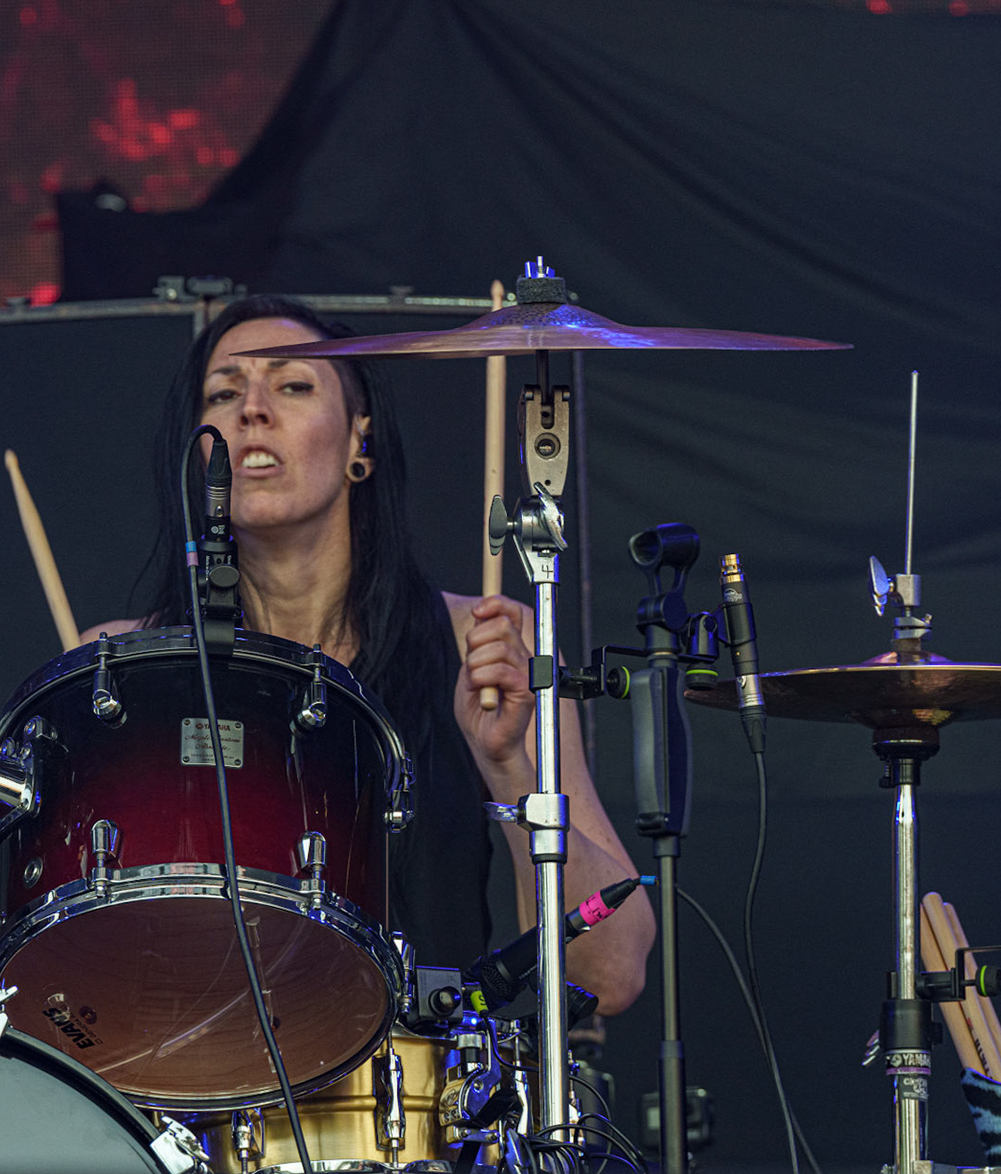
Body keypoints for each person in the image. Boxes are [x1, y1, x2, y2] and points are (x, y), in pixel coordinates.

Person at [82, 295, 654, 1014]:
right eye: (223, 394)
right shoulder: (121, 668)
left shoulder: (484, 648)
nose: (251, 410)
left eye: (293, 385)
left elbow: (613, 973)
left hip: (416, 1084)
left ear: (361, 438)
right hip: (190, 1076)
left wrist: (509, 767)